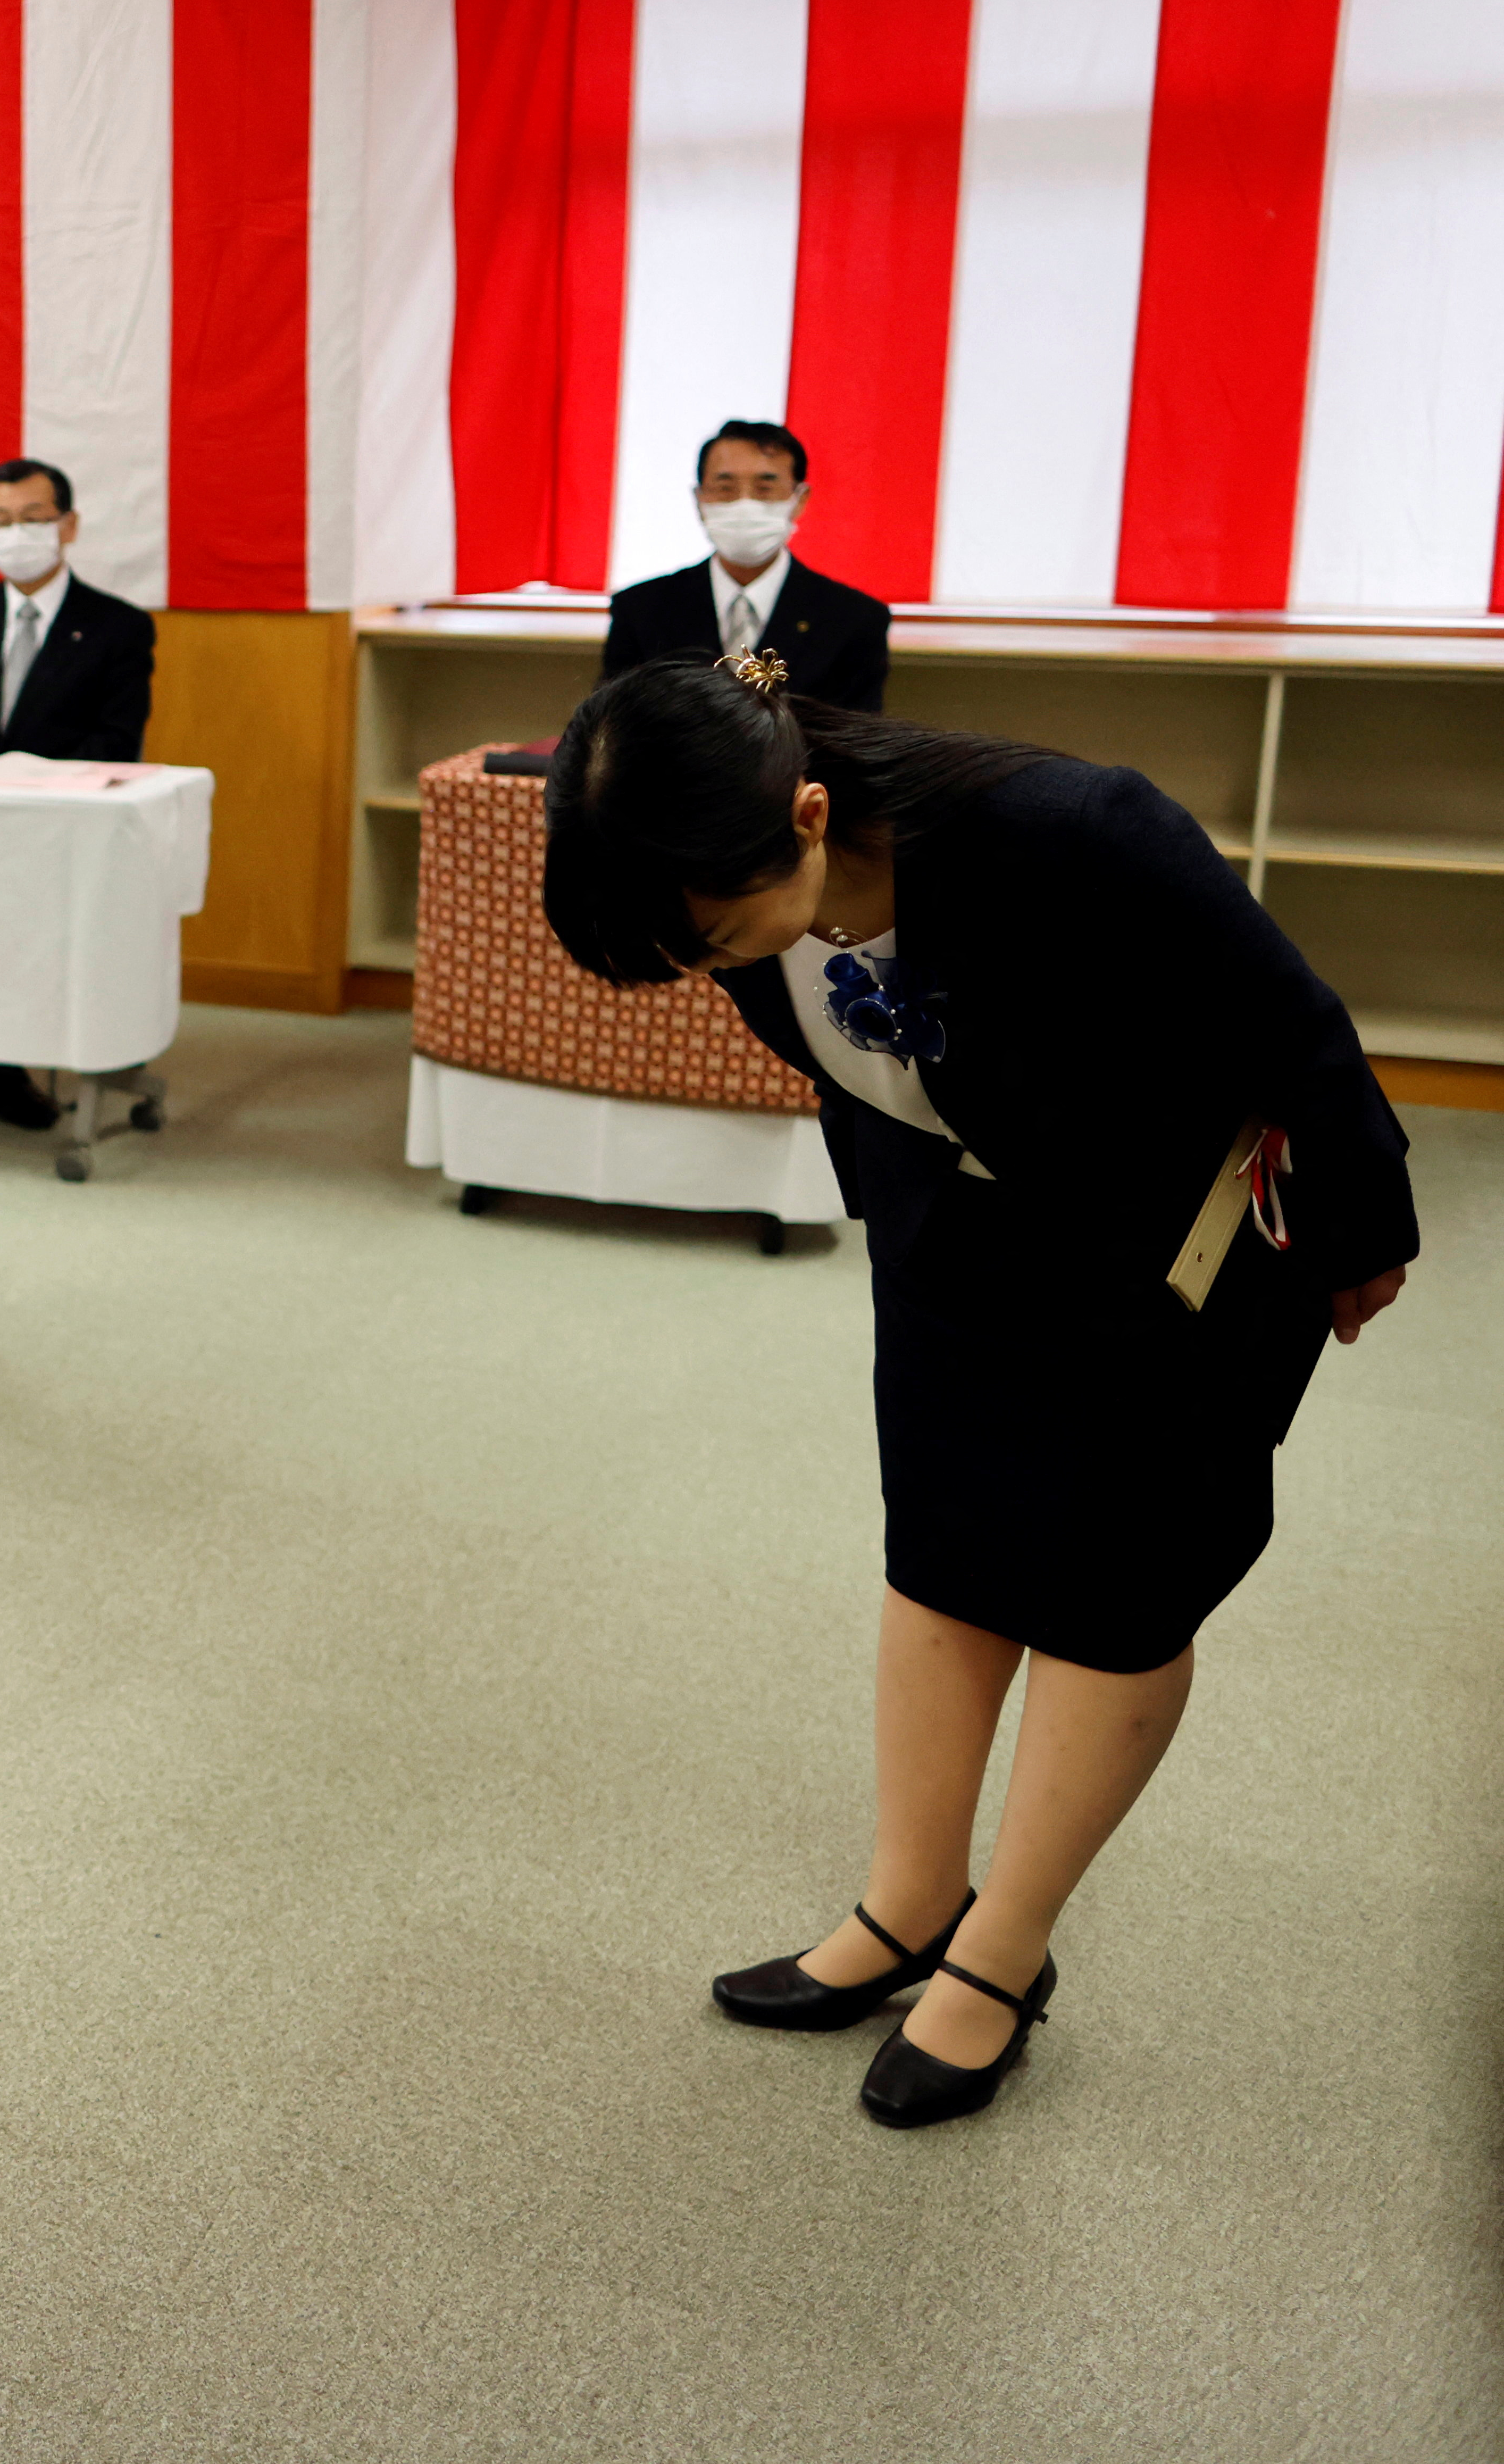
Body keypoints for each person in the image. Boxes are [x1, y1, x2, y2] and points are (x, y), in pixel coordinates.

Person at [542, 656, 1414, 2129]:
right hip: (956, 1237)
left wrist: (1356, 1235)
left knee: (1107, 1591)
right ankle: (906, 1907)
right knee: (944, 1554)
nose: (710, 972)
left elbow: (1293, 1025)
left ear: (806, 814)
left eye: (710, 940)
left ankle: (1000, 1955)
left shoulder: (1072, 832)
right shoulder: (734, 896)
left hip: (1166, 1257)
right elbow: (848, 1061)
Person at [0, 456, 157, 1130]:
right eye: (1, 521)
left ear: (67, 525)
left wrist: (24, 778)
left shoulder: (118, 626)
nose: (16, 534)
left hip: (53, 831)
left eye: (33, 519)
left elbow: (117, 743)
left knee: (25, 943)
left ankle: (4, 1069)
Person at [598, 421, 888, 710]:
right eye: (726, 488)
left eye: (765, 488)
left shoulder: (853, 619)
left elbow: (856, 742)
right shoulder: (641, 610)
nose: (744, 504)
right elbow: (613, 728)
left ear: (799, 499)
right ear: (700, 500)